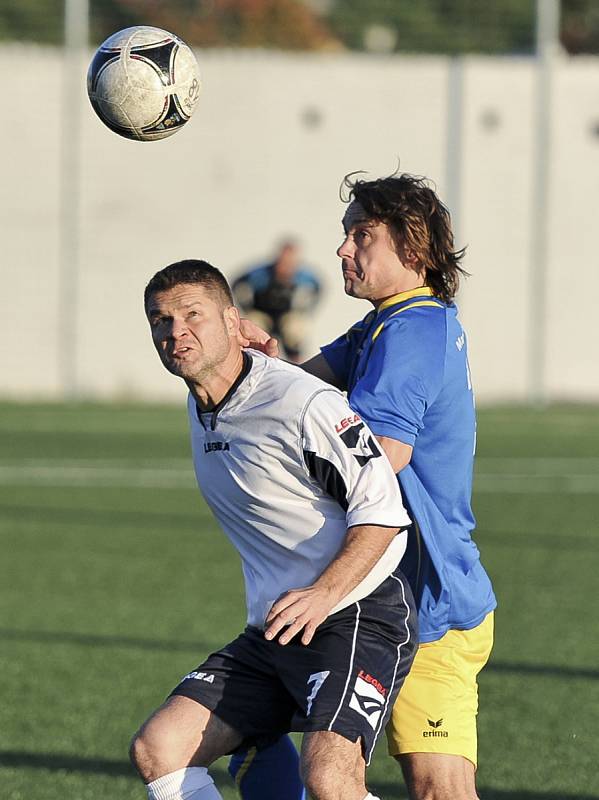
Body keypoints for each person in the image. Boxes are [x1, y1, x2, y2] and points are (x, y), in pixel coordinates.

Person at [235, 172, 497, 800]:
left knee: (433, 790)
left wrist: (281, 484)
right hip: (385, 590)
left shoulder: (411, 332)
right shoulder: (387, 322)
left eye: (361, 235)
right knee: (301, 755)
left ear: (412, 247)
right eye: (345, 234)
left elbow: (385, 455)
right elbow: (306, 384)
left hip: (427, 598)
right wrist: (258, 356)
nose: (343, 249)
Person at [130, 259, 418, 800]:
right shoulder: (204, 403)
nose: (176, 332)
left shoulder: (305, 402)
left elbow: (382, 511)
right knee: (159, 748)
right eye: (160, 321)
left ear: (233, 321)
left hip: (357, 614)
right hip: (277, 627)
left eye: (193, 315)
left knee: (330, 781)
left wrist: (323, 593)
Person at [232, 239, 321, 363]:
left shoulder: (302, 275)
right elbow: (238, 283)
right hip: (262, 313)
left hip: (286, 314)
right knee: (253, 328)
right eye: (283, 261)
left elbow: (317, 288)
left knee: (295, 329)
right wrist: (246, 307)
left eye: (290, 261)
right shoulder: (262, 274)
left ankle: (299, 366)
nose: (286, 266)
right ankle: (253, 363)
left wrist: (306, 310)